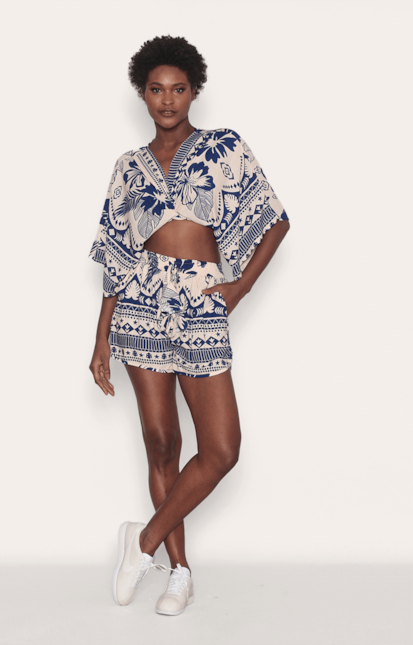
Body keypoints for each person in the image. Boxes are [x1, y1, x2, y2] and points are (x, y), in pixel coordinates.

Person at [88, 35, 290, 616]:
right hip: (140, 304)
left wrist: (239, 287)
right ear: (142, 94)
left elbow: (274, 220)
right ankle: (179, 572)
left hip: (200, 301)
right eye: (156, 89)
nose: (168, 100)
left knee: (221, 449)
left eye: (178, 89)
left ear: (194, 91)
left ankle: (141, 541)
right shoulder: (128, 167)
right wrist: (100, 339)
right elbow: (115, 256)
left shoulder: (224, 147)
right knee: (162, 443)